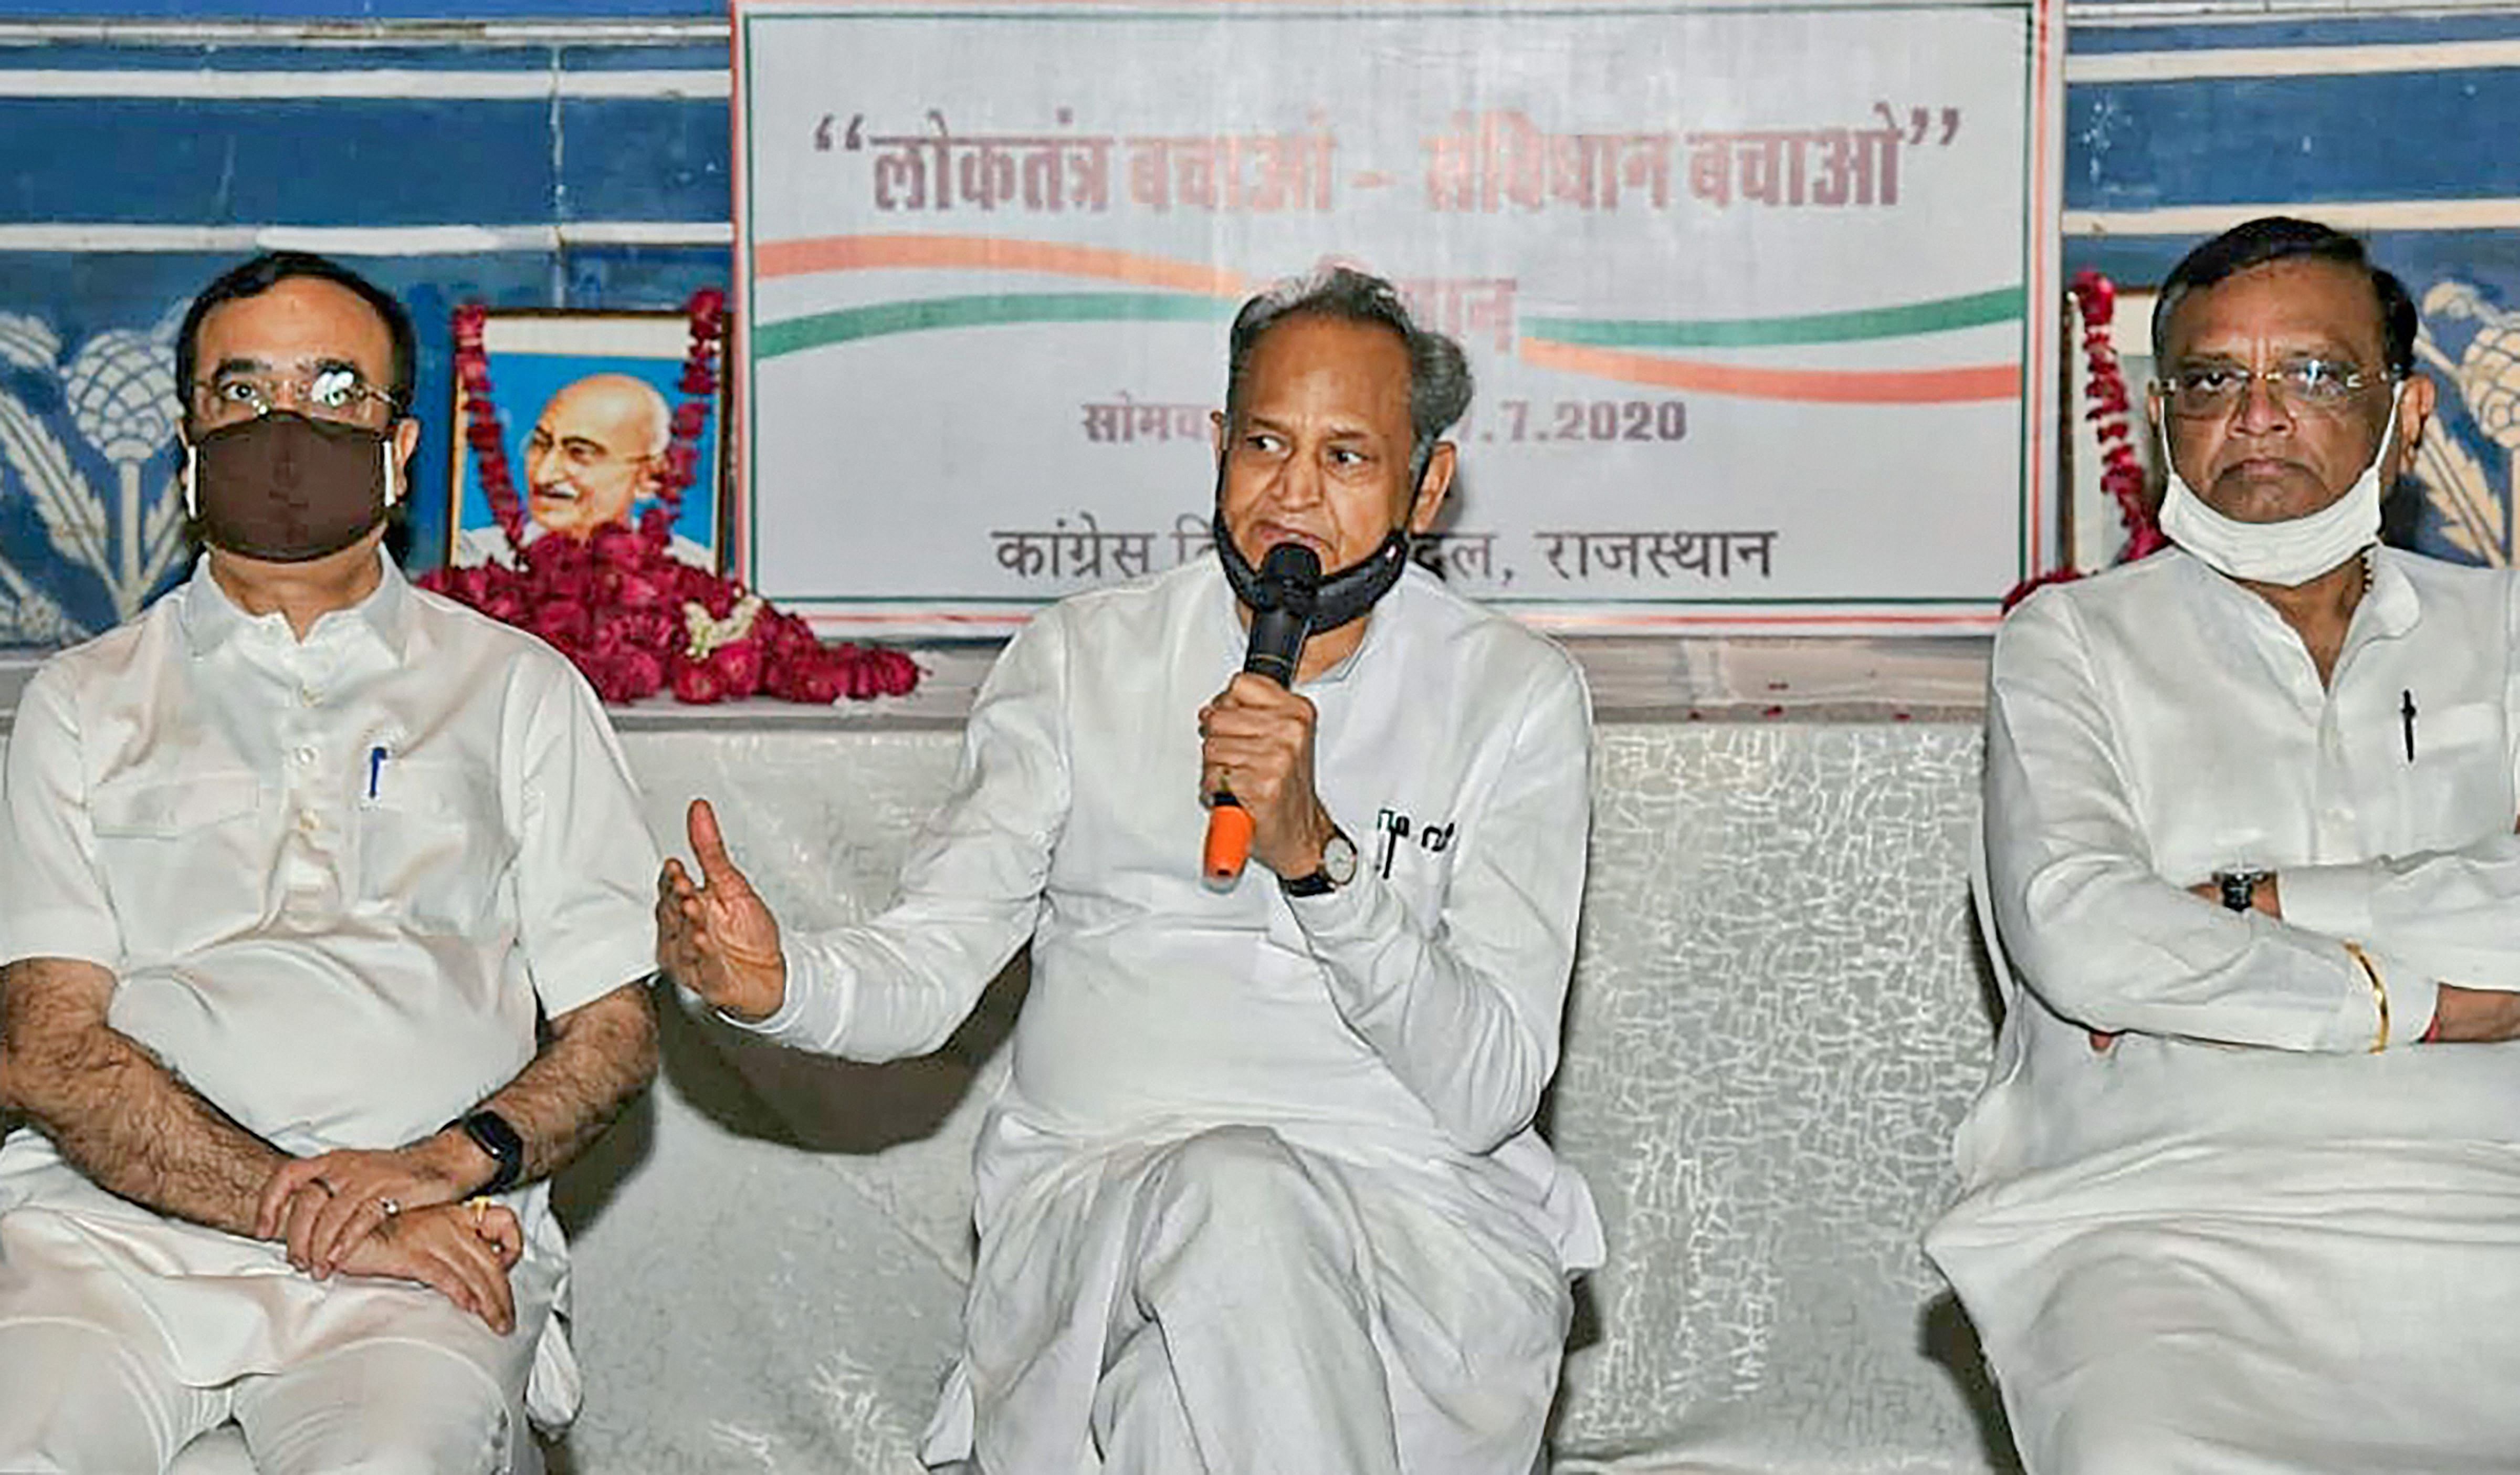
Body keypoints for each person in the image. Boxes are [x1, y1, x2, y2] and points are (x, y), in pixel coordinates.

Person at [659, 265, 1601, 1474]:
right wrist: (777, 980)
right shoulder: (1082, 657)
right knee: (1232, 1191)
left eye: (1346, 459)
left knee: (1172, 1406)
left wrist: (1318, 865)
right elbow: (932, 962)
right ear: (1214, 445)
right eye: (1264, 444)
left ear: (1427, 487)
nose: (1292, 496)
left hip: (1412, 1227)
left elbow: (1488, 1089)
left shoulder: (1511, 695)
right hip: (1097, 1211)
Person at [0, 250, 663, 1474]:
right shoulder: (84, 700)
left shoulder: (516, 690)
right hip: (107, 1241)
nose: (289, 426)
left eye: (337, 389)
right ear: (189, 436)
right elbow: (44, 1048)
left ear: (402, 449)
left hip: (426, 1246)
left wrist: (429, 1173)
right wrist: (299, 1208)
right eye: (243, 393)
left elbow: (612, 1029)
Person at [1928, 216, 2520, 1473]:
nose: (2255, 414)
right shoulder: (2068, 643)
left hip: (2488, 1193)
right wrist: (2428, 1000)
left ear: (2404, 416)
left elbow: (2157, 945)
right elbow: (2080, 928)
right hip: (2166, 1217)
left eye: (2310, 373)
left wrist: (2256, 898)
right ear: (2160, 421)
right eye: (2210, 379)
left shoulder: (2503, 625)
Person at [457, 372, 712, 569]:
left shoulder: (695, 575)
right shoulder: (474, 560)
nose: (545, 474)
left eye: (580, 453)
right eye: (540, 445)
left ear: (650, 477)